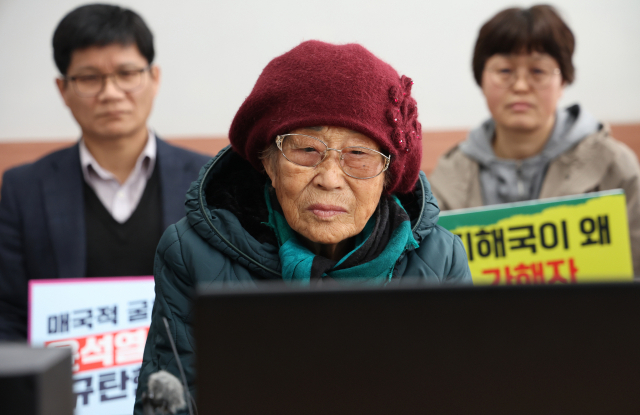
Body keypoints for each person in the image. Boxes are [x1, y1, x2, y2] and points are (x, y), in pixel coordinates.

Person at [133, 40, 472, 414]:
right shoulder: (191, 253)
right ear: (268, 163)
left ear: (387, 177)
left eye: (358, 154)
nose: (329, 178)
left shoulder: (440, 260)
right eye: (306, 149)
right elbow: (173, 400)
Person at [0, 4, 210, 340]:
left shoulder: (209, 179)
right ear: (63, 90)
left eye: (127, 74)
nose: (111, 94)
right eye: (89, 78)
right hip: (66, 387)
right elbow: (8, 316)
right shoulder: (22, 189)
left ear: (154, 79)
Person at [429, 5, 640, 275]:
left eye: (538, 71)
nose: (520, 85)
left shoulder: (614, 165)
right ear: (481, 78)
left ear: (563, 80)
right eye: (504, 71)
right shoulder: (448, 178)